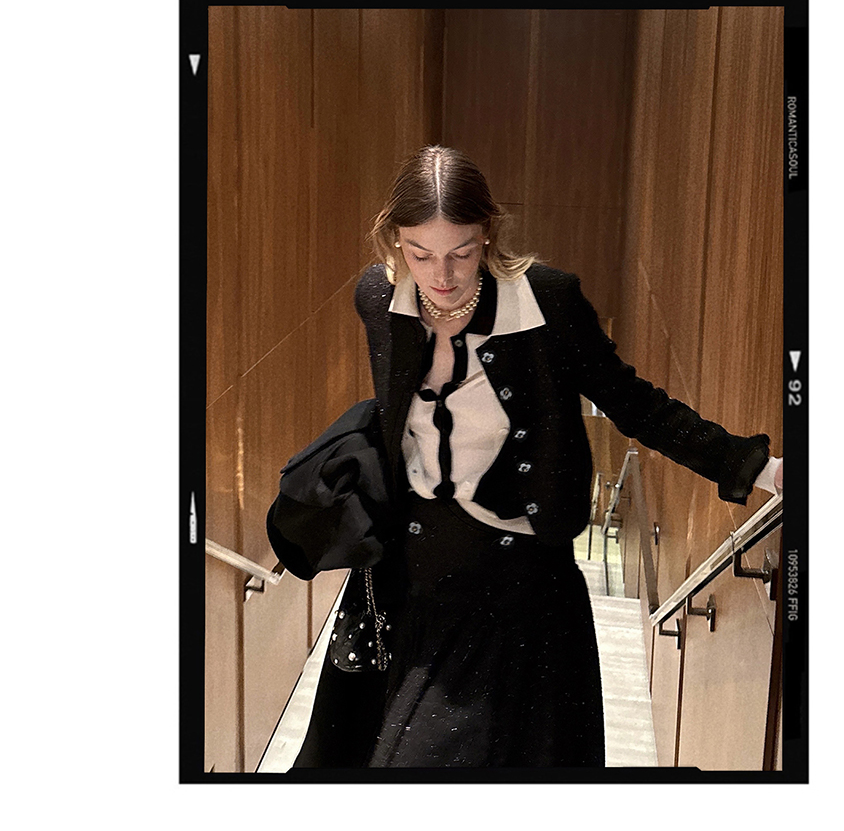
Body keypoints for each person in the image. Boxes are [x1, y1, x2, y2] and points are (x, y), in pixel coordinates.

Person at [305, 145, 782, 769]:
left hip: (520, 586)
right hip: (412, 578)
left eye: (461, 252)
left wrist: (757, 468)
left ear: (488, 234)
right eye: (420, 254)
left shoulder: (547, 303)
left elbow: (634, 402)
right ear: (395, 240)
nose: (441, 275)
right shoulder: (379, 299)